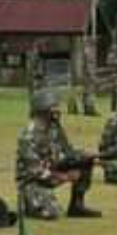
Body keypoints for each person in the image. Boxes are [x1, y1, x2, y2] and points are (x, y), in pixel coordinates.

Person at [16, 89, 100, 220]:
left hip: (52, 169)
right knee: (52, 213)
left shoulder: (54, 127)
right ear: (43, 109)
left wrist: (88, 157)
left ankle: (77, 206)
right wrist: (65, 177)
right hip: (32, 181)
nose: (58, 111)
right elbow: (35, 171)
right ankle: (30, 204)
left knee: (84, 159)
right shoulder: (29, 135)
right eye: (54, 107)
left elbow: (68, 151)